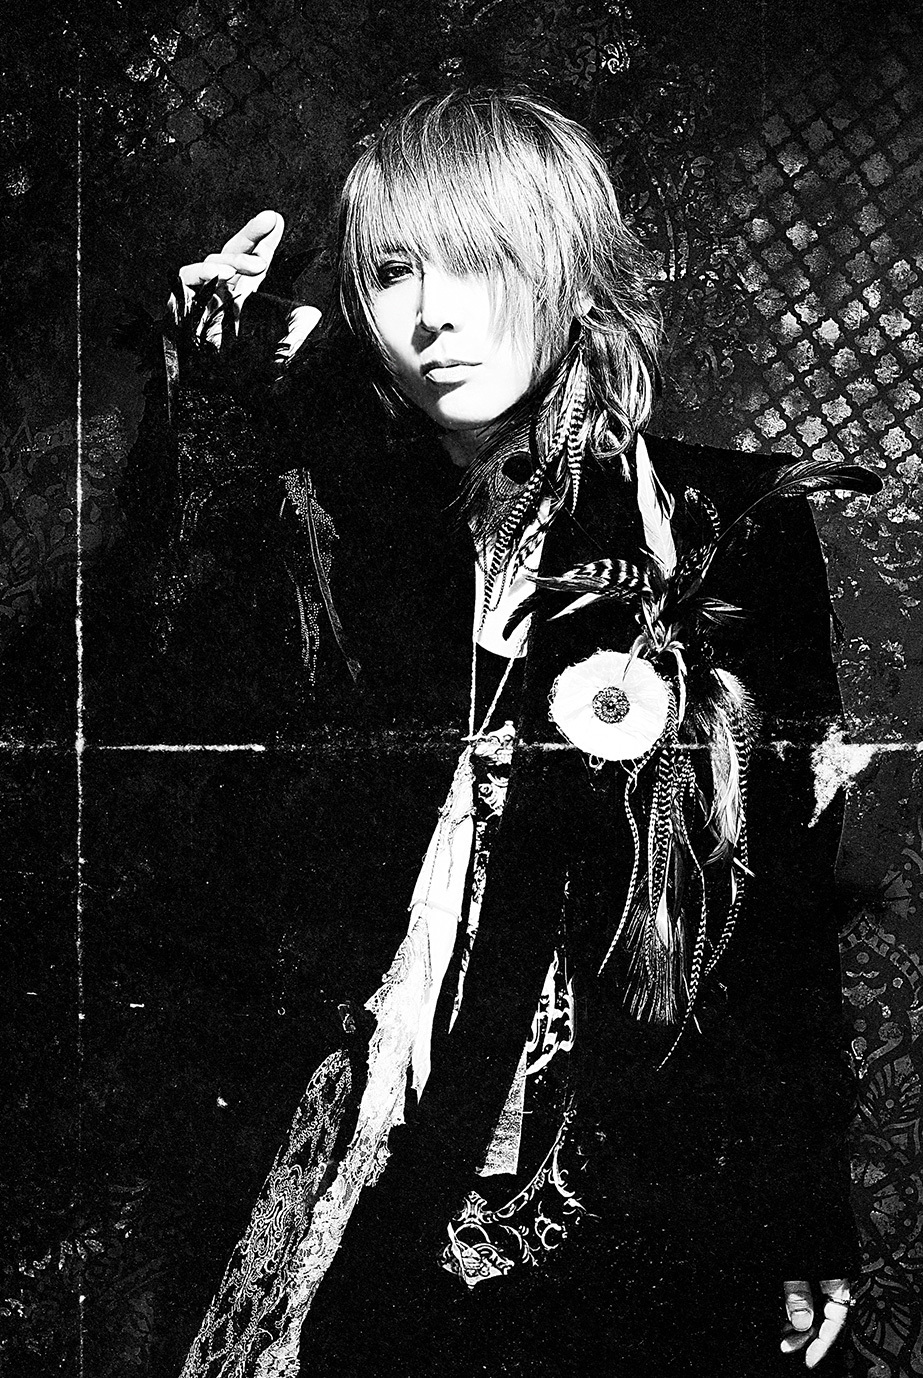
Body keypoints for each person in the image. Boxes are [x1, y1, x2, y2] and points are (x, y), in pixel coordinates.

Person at [160, 91, 879, 1376]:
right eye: (393, 272)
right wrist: (212, 409)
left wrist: (800, 1205)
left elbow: (778, 902)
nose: (433, 315)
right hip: (370, 1170)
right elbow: (184, 774)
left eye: (481, 262)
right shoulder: (326, 522)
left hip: (629, 1191)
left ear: (569, 272)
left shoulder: (727, 524)